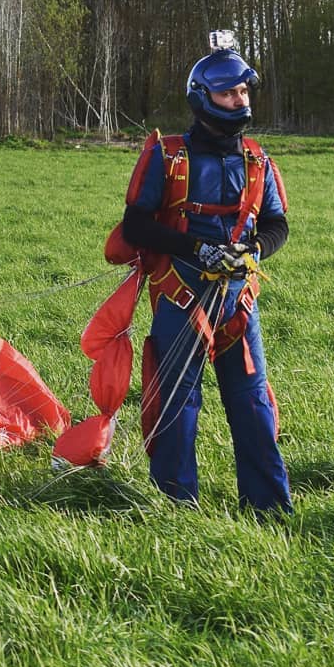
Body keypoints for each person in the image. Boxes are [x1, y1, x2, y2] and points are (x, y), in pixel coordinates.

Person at [119, 35, 292, 515]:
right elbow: (136, 223)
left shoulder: (258, 159)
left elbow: (278, 224)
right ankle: (176, 509)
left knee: (253, 407)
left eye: (244, 92)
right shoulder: (167, 156)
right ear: (203, 96)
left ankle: (270, 510)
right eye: (229, 93)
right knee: (177, 408)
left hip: (238, 304)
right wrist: (198, 249)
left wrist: (252, 250)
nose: (240, 101)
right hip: (181, 301)